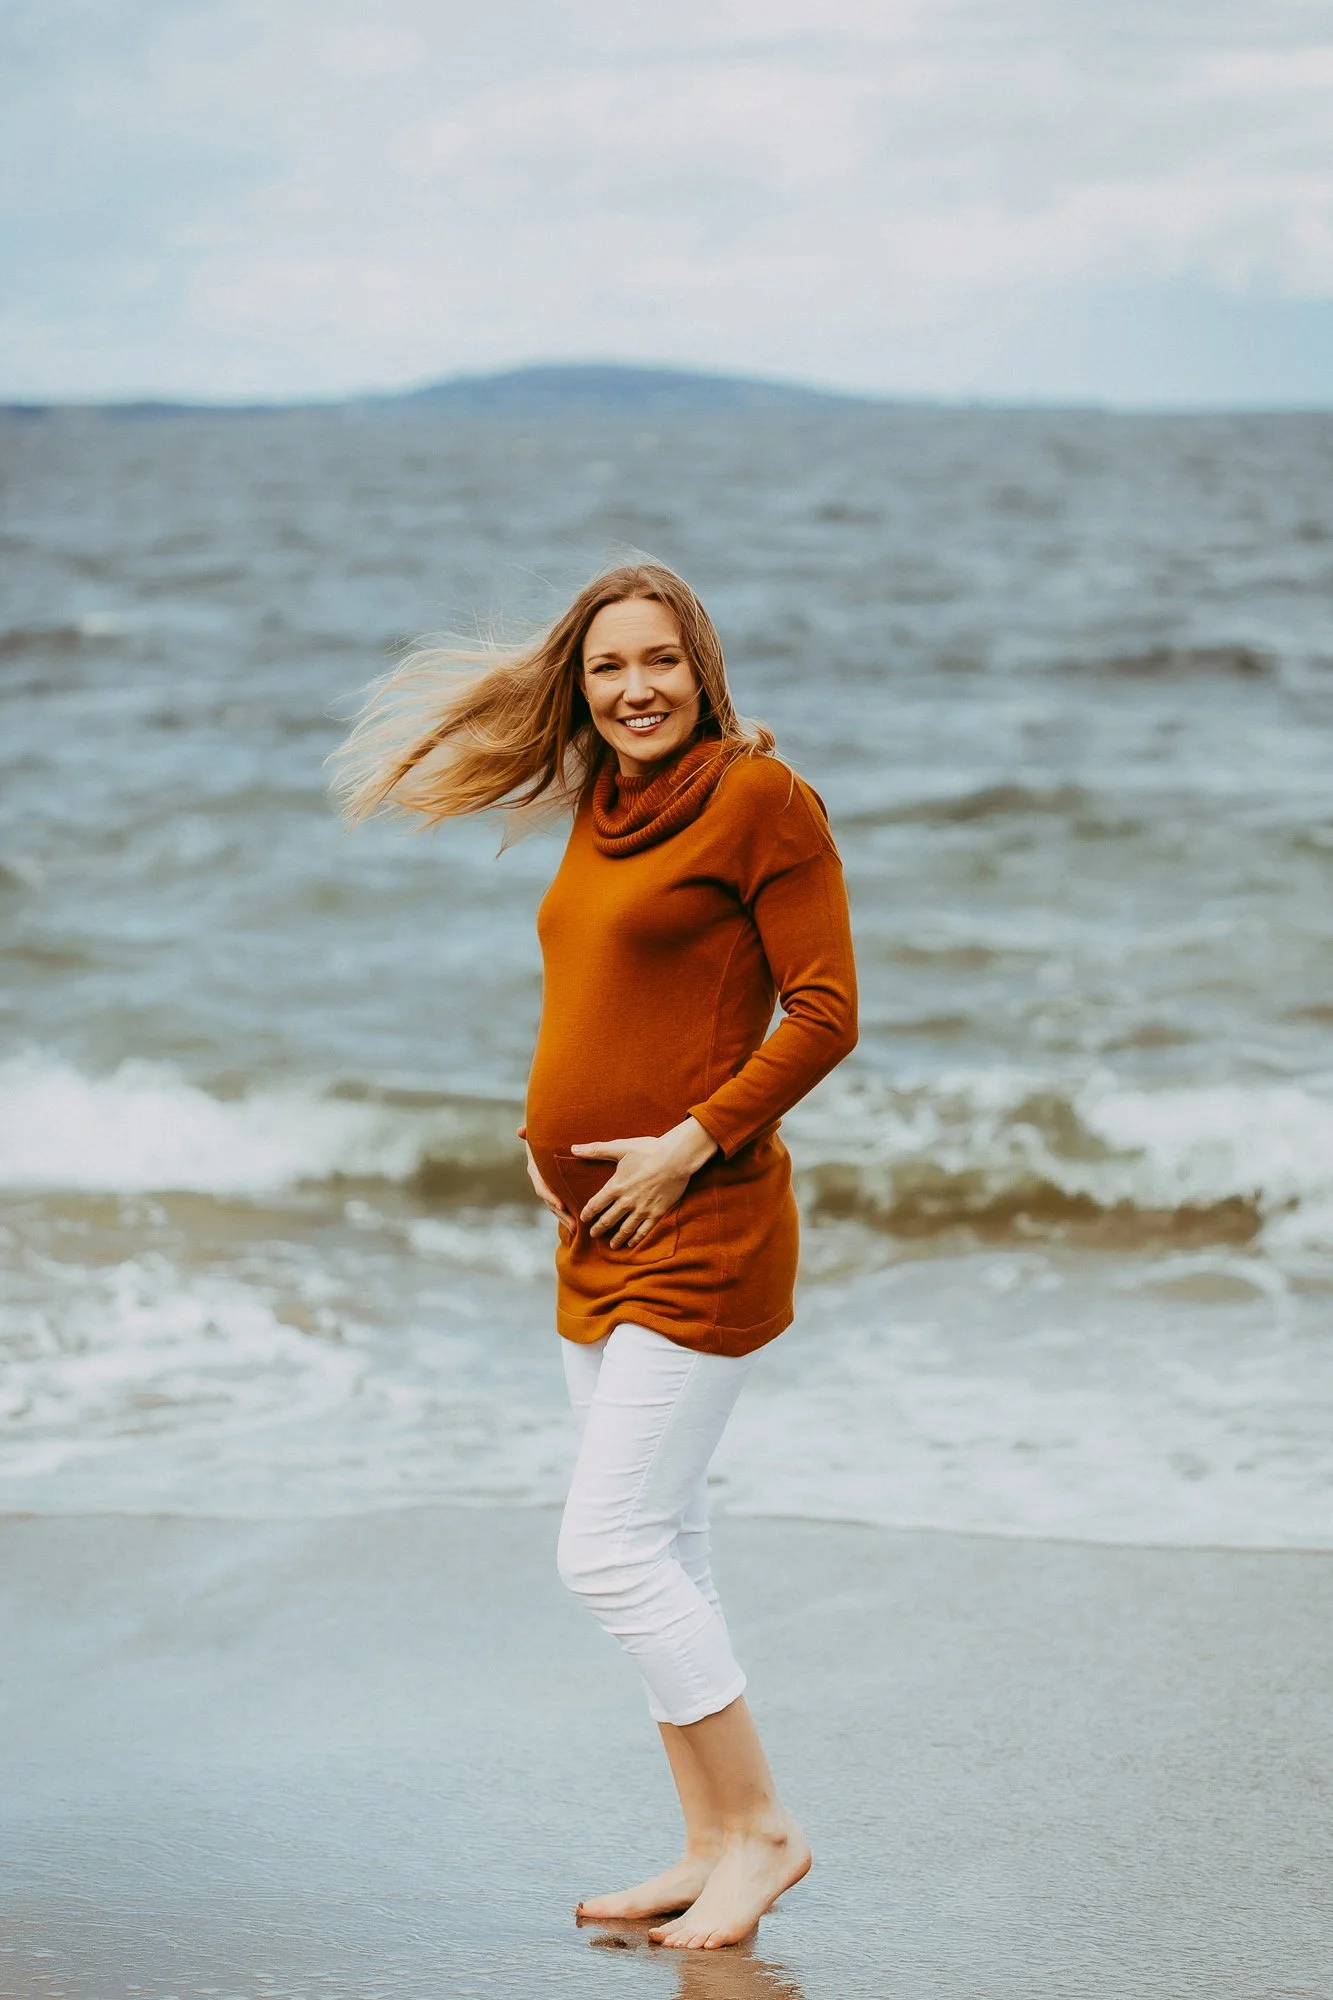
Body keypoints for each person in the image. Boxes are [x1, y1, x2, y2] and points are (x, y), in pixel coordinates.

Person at [333, 561, 857, 1950]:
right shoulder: (607, 805)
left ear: (704, 669)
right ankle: (703, 1842)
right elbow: (599, 987)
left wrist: (689, 1141)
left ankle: (764, 1832)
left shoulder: (763, 800)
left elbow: (824, 1011)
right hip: (594, 1233)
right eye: (611, 667)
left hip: (703, 1227)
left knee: (606, 1553)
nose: (637, 689)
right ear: (582, 683)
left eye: (661, 662)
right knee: (666, 1543)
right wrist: (539, 1131)